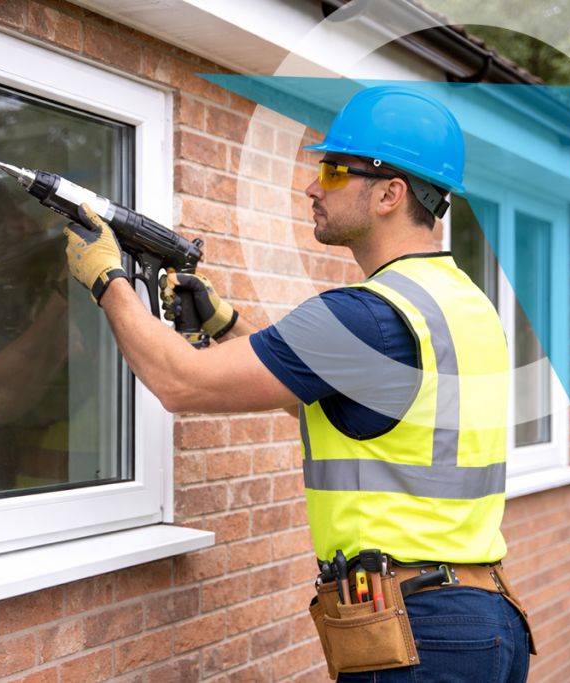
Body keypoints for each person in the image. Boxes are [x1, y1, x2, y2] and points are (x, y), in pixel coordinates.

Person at [61, 86, 533, 681]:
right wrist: (227, 326)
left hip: (421, 632)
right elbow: (354, 409)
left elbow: (181, 383)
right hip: (480, 617)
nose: (313, 187)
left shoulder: (365, 314)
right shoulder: (464, 305)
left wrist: (107, 280)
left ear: (390, 194)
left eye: (335, 171)